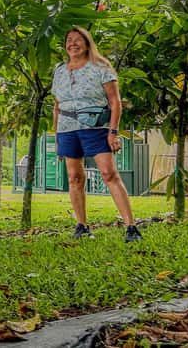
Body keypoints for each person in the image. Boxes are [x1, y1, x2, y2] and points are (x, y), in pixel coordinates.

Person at [52, 27, 142, 242]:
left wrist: (113, 132)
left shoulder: (101, 67)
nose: (73, 44)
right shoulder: (60, 71)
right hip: (67, 129)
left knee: (109, 174)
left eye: (78, 40)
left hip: (95, 128)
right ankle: (82, 226)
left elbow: (115, 102)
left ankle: (131, 227)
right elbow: (56, 105)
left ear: (87, 43)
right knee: (74, 178)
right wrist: (57, 135)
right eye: (69, 40)